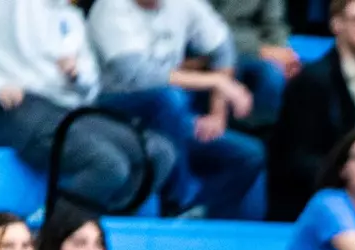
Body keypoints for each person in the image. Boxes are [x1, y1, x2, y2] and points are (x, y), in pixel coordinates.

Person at [0, 0, 177, 215]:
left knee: (159, 154)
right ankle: (55, 230)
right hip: (20, 110)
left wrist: (78, 75)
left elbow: (91, 83)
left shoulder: (72, 16)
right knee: (109, 165)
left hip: (70, 111)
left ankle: (92, 233)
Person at [87, 0, 267, 220]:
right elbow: (136, 75)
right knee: (167, 96)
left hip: (170, 116)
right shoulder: (110, 8)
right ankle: (179, 199)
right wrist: (216, 81)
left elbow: (223, 49)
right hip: (113, 112)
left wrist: (216, 113)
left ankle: (202, 219)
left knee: (249, 155)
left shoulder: (184, 4)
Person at [268, 0, 355, 221]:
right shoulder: (313, 80)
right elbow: (297, 159)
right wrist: (352, 177)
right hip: (313, 202)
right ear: (337, 24)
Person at [207, 0, 299, 127]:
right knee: (271, 75)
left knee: (292, 73)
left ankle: (271, 135)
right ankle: (252, 133)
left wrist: (283, 52)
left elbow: (275, 24)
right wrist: (259, 49)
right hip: (217, 50)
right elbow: (209, 29)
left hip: (257, 47)